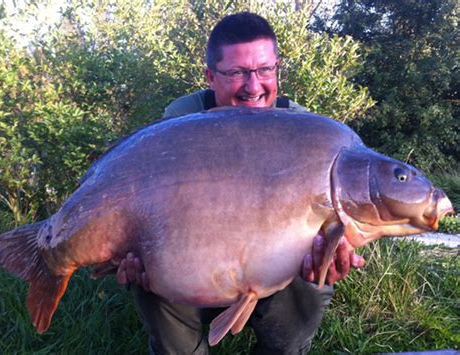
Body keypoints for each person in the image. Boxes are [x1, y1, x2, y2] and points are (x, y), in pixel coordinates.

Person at [117, 12, 365, 354]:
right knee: (149, 268)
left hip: (270, 267)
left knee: (313, 277)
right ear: (210, 76)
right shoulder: (181, 122)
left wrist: (333, 248)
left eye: (265, 70)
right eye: (236, 73)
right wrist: (136, 246)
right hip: (196, 264)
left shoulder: (304, 130)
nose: (254, 86)